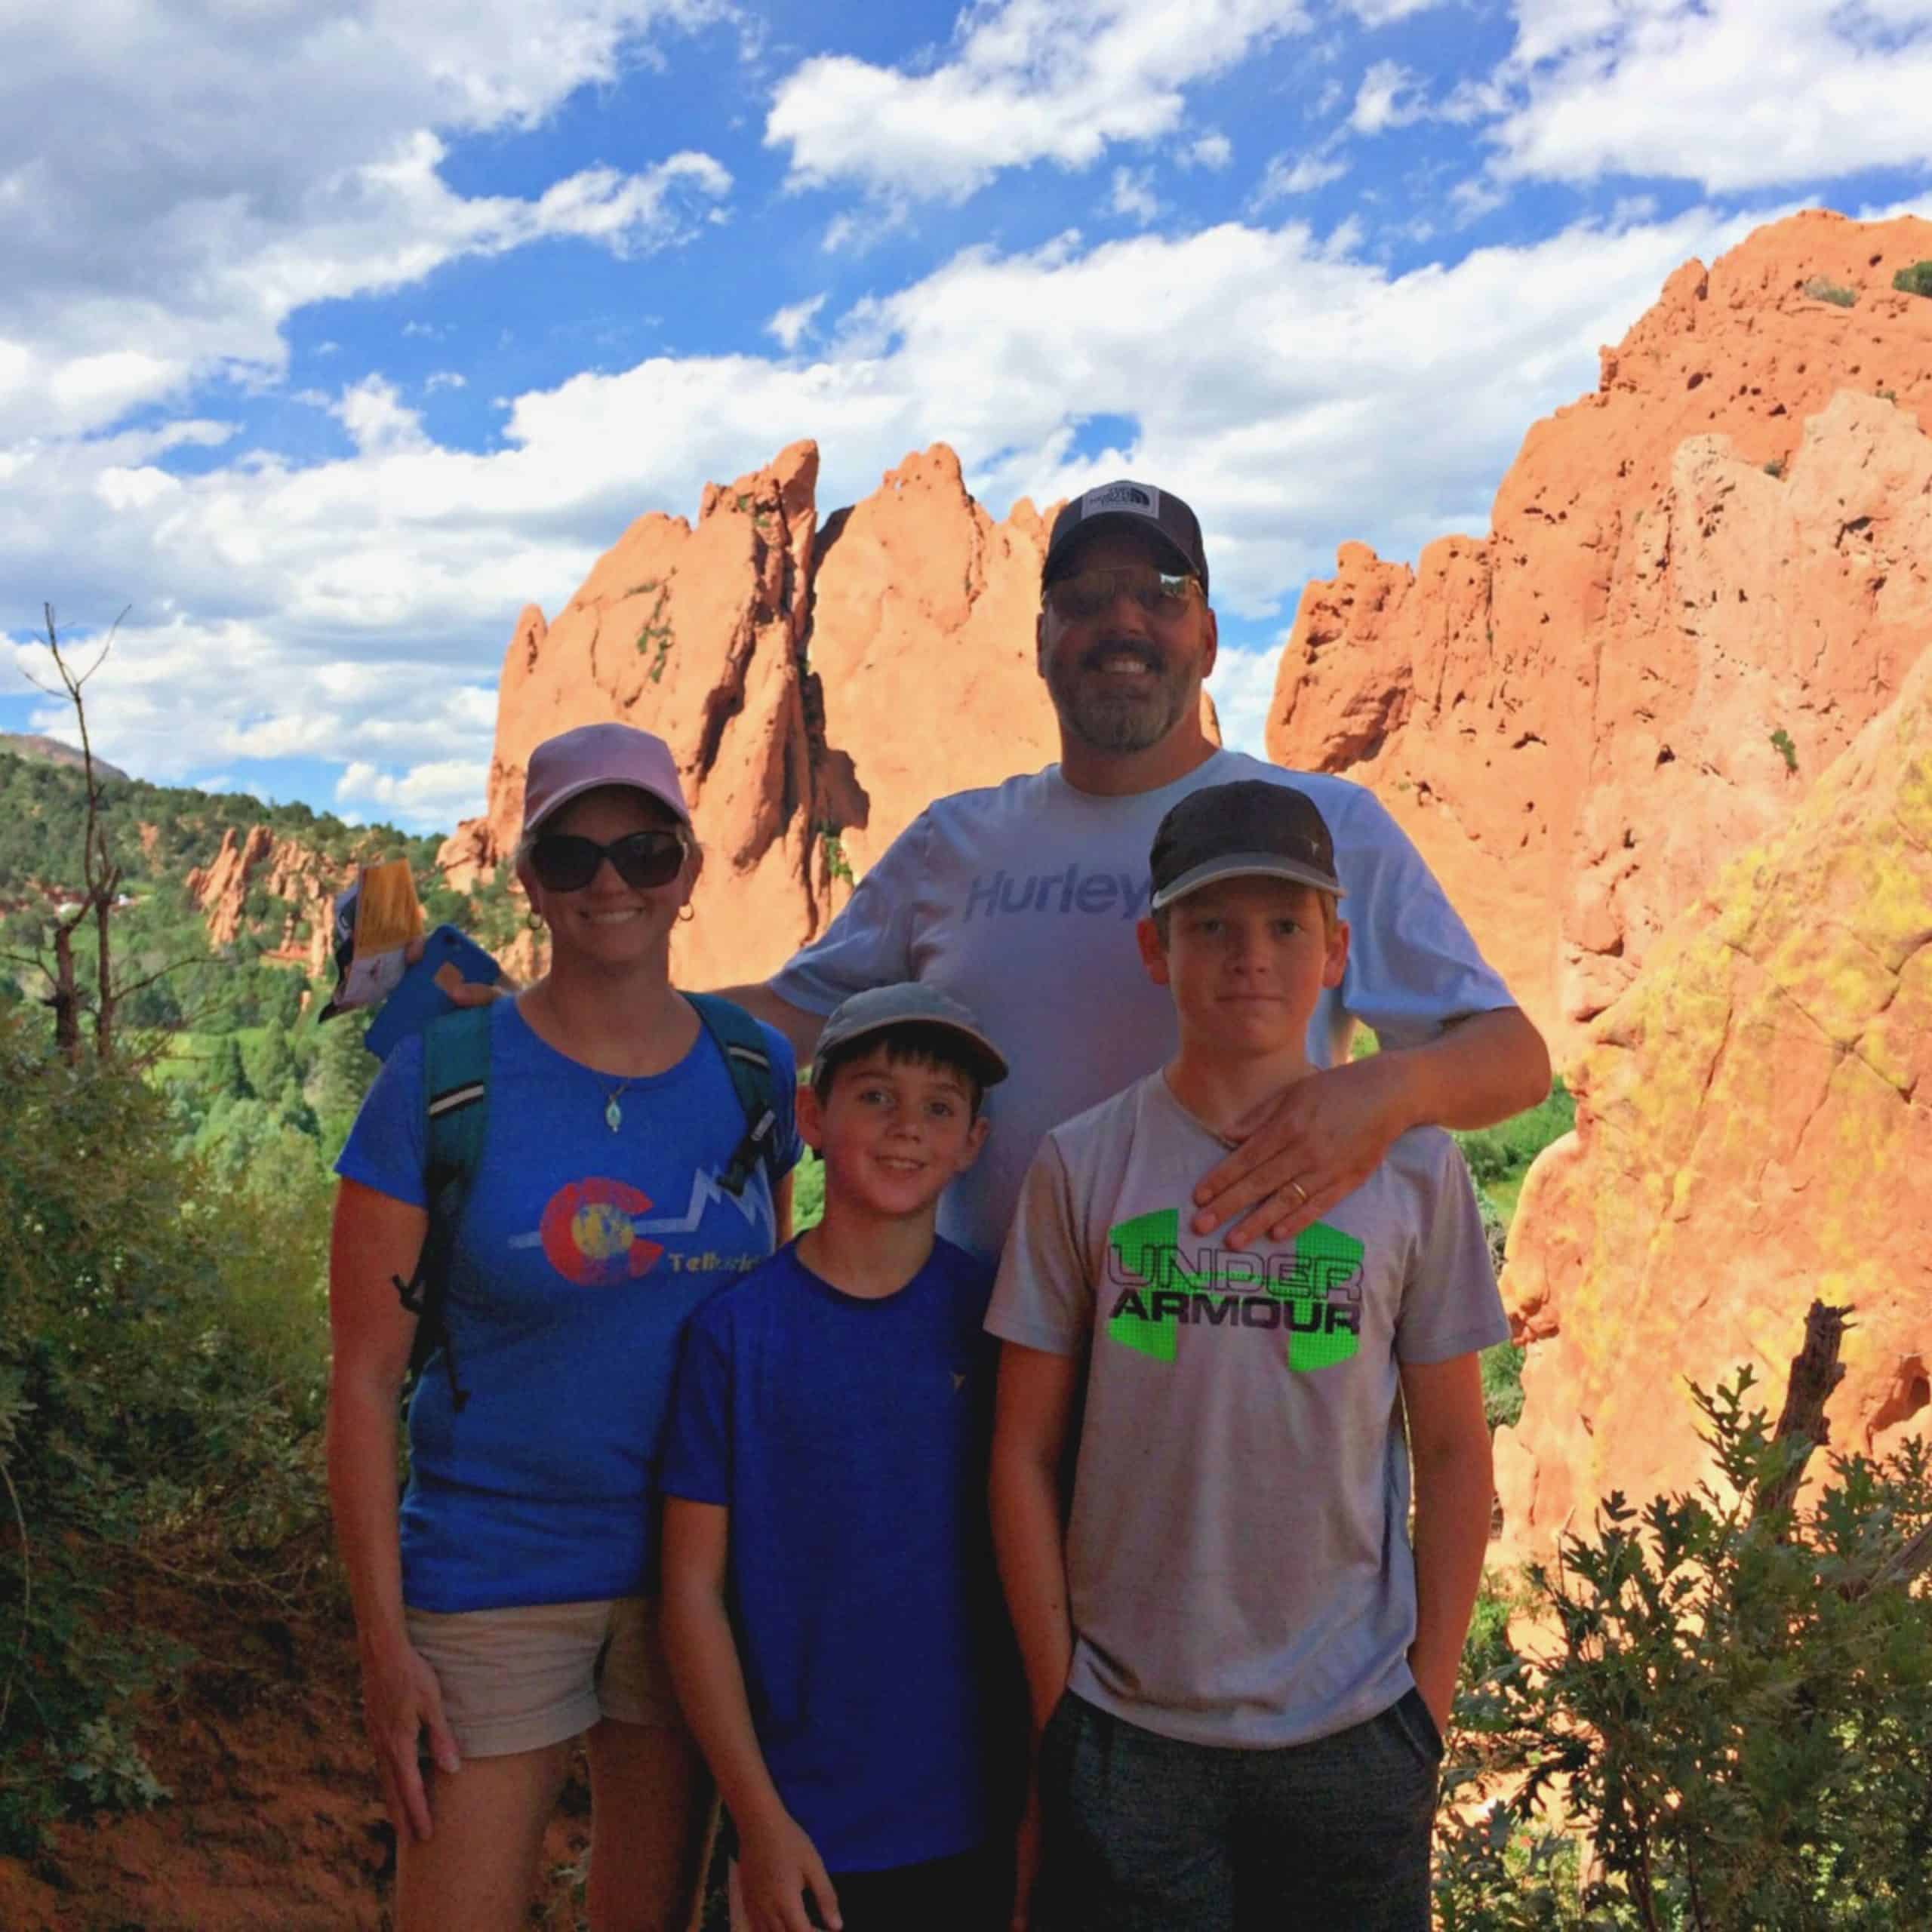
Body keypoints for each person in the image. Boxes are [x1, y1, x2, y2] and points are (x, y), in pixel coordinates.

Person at [721, 476, 1550, 1262]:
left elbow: (1512, 1057)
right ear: (1042, 640)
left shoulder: (1320, 827)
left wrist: (1386, 1093)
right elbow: (793, 1018)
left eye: (1160, 592)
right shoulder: (953, 842)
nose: (1123, 620)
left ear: (1211, 638)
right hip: (988, 1374)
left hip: (1227, 1371)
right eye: (1082, 598)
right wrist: (602, 1002)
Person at [986, 779, 1506, 1931]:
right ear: (1153, 949)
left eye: (1285, 924)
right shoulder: (1084, 1166)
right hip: (1127, 1737)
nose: (1249, 955)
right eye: (1210, 924)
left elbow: (1460, 1450)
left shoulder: (1417, 1176)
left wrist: (1425, 1703)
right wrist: (1058, 1708)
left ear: (1336, 950)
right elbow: (1021, 1454)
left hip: (1352, 1738)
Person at [327, 722, 801, 1932]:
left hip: (693, 1583)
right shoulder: (439, 1081)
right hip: (491, 1575)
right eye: (573, 855)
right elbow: (364, 1382)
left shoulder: (754, 1075)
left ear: (688, 870)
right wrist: (385, 1650)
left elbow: (772, 1326)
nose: (611, 884)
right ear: (527, 876)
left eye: (643, 851)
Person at [659, 985, 1017, 1932]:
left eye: (940, 1106)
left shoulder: (1002, 1323)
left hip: (977, 1820)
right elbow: (690, 1592)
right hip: (802, 1833)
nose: (907, 1128)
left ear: (973, 1140)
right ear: (811, 1116)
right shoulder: (733, 1336)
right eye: (875, 1097)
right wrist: (757, 1818)